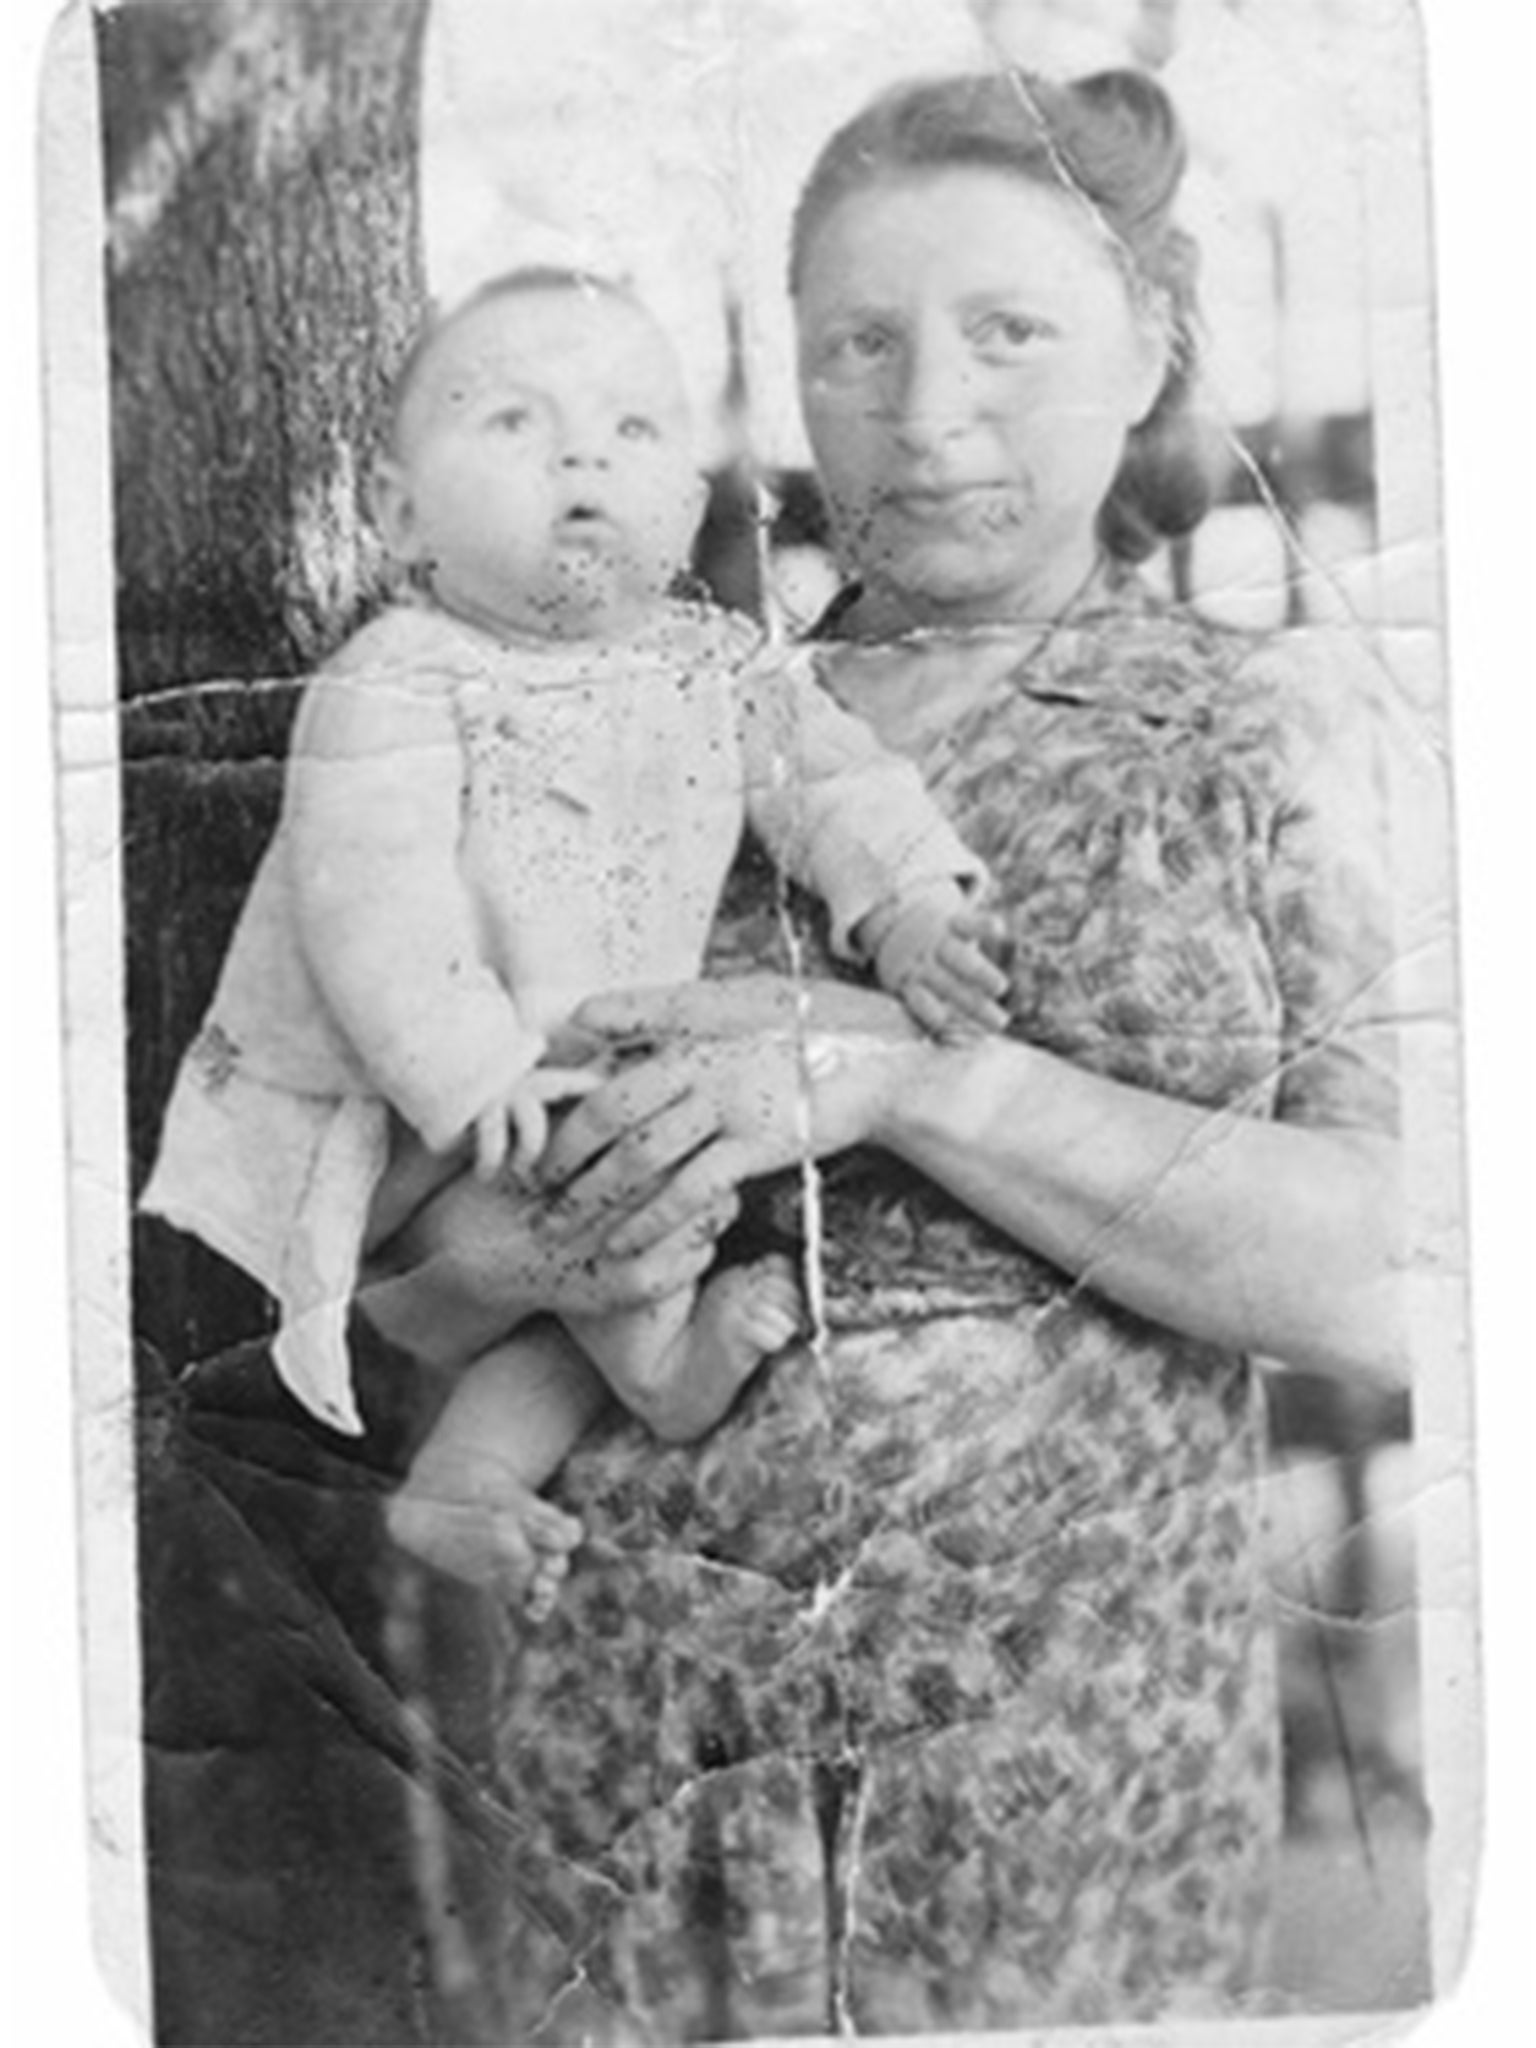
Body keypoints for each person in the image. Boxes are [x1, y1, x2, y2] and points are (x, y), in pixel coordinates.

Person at [352, 67, 1418, 2037]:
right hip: (631, 1762)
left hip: (1043, 1797)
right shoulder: (649, 705)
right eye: (861, 343)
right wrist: (497, 1263)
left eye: (1009, 330)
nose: (927, 419)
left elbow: (1410, 1286)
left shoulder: (1262, 729)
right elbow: (391, 1243)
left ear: (1151, 342)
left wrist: (899, 1073)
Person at [140, 266, 1009, 1613]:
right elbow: (373, 905)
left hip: (571, 1088)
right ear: (397, 511)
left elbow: (833, 779)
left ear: (686, 499)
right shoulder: (399, 678)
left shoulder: (710, 662)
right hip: (411, 1111)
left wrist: (902, 906)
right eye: (515, 425)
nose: (583, 456)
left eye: (633, 431)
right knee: (584, 1198)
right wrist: (471, 1067)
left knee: (628, 1185)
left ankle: (472, 1473)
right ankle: (660, 1374)